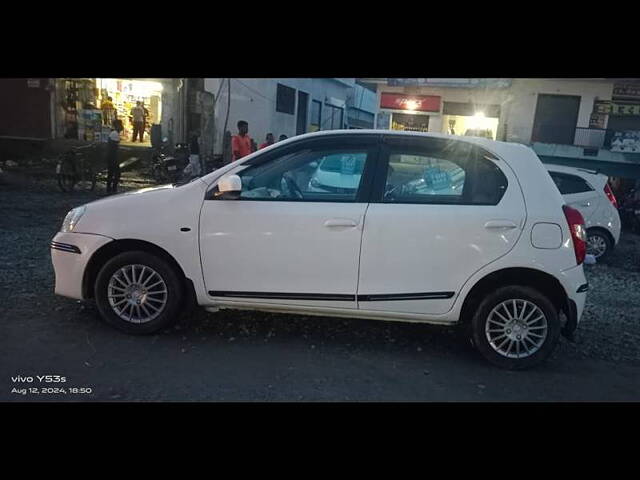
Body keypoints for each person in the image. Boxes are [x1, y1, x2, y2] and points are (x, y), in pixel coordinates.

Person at [105, 127, 121, 194]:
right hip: (113, 159)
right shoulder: (115, 135)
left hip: (110, 158)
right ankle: (114, 188)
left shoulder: (112, 134)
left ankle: (109, 188)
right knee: (117, 173)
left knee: (110, 173)